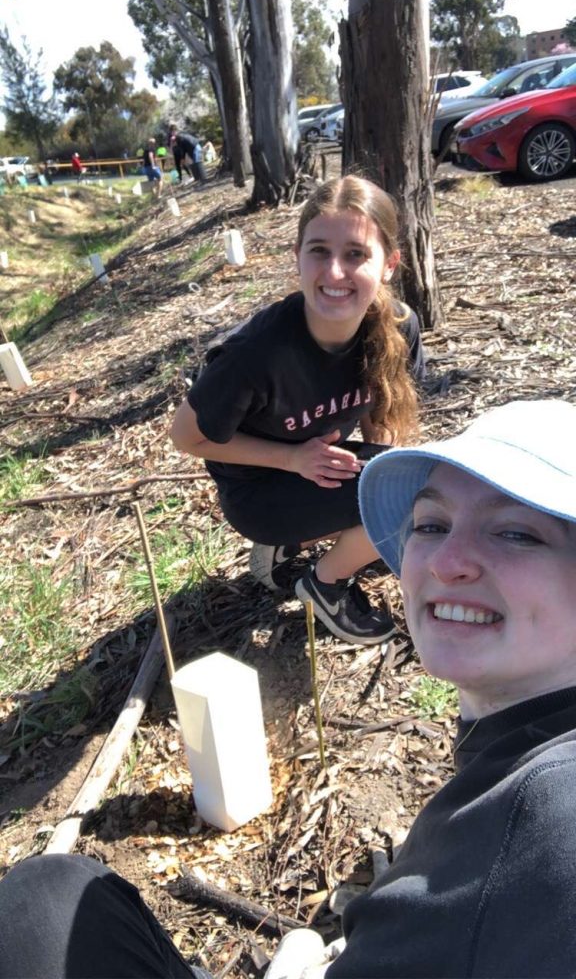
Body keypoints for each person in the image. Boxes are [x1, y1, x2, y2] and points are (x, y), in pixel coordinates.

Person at [4, 399, 576, 978]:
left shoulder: (548, 818)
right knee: (50, 891)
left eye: (516, 533)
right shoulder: (514, 750)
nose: (447, 561)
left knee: (41, 905)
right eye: (430, 525)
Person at [171, 175, 425, 645]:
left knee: (410, 488)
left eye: (355, 254)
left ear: (389, 264)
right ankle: (324, 584)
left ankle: (297, 545)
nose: (333, 272)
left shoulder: (397, 327)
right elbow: (186, 437)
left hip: (318, 469)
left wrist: (380, 469)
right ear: (297, 256)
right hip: (259, 490)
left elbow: (380, 413)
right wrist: (292, 459)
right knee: (410, 500)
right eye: (319, 251)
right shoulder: (258, 352)